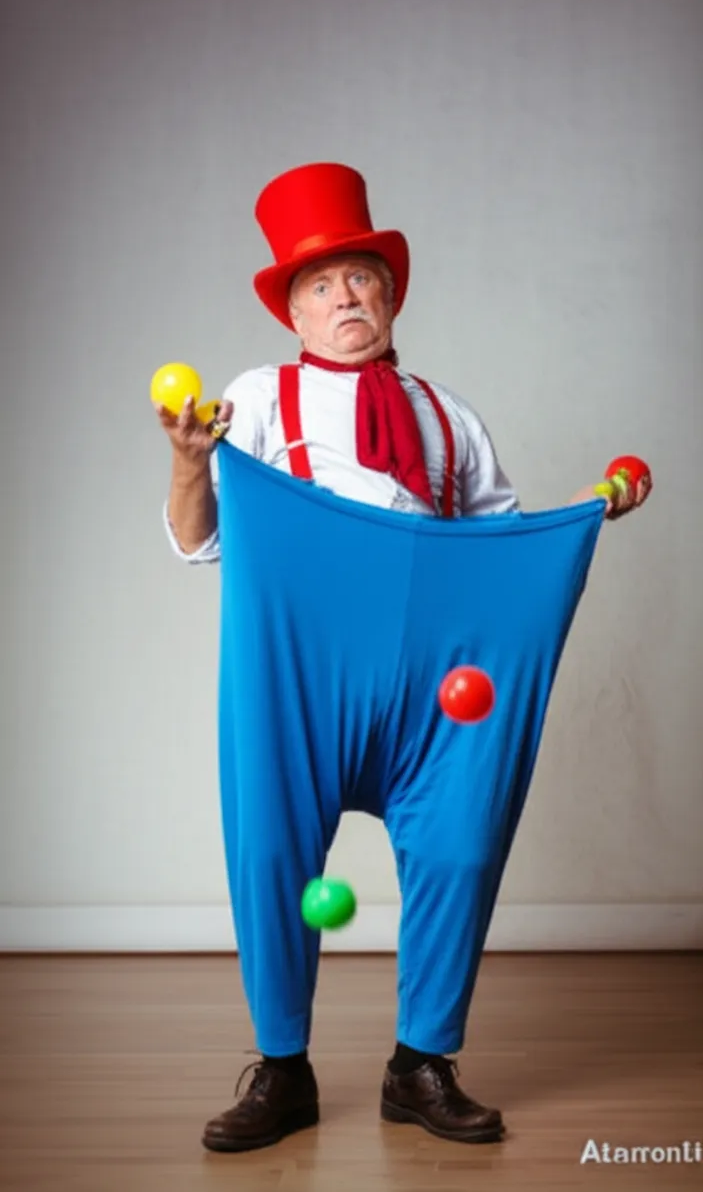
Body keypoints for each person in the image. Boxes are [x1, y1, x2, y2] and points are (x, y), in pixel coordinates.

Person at [155, 163, 649, 1150]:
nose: (345, 296)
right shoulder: (256, 399)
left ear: (389, 296)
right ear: (293, 312)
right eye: (320, 284)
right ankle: (283, 1070)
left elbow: (498, 553)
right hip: (302, 672)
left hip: (439, 688)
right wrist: (186, 462)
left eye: (360, 278)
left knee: (462, 844)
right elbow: (195, 539)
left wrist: (584, 515)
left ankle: (419, 1063)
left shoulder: (446, 415)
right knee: (269, 849)